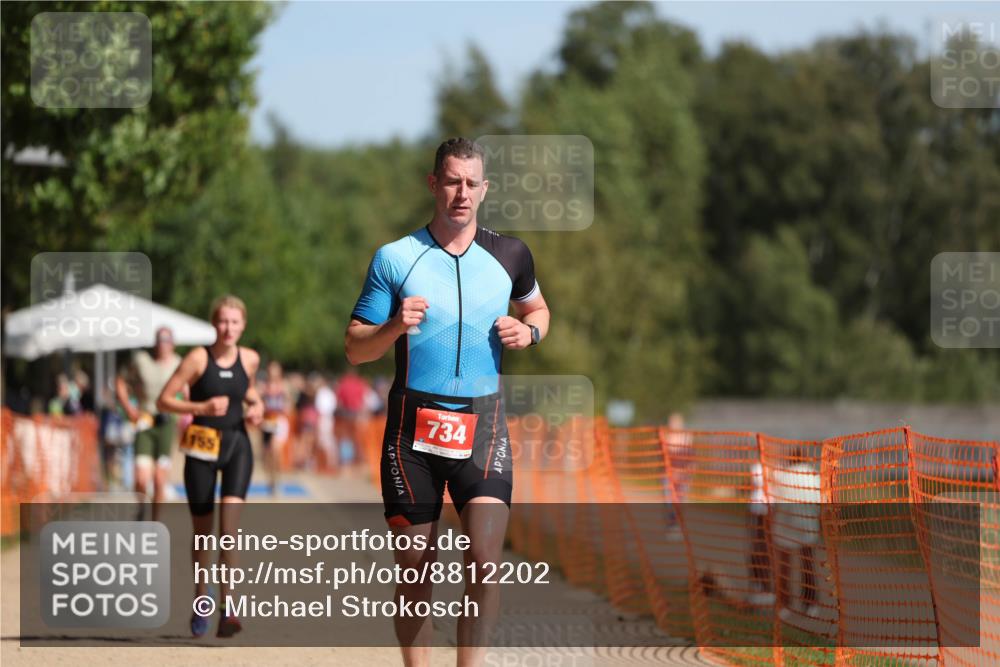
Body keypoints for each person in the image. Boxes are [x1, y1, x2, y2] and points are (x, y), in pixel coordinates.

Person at [345, 137, 550, 667]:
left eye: (471, 183)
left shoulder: (511, 254)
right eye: (452, 181)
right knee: (417, 571)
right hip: (411, 430)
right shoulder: (395, 258)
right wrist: (394, 325)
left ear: (485, 189)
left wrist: (529, 335)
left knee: (484, 560)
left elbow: (539, 311)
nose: (462, 193)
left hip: (484, 425)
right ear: (433, 183)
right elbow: (354, 348)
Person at [157, 295, 263, 639]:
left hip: (237, 446)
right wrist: (201, 406)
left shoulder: (250, 359)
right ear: (213, 324)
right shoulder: (197, 359)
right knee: (203, 534)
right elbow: (164, 399)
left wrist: (257, 405)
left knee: (228, 533)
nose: (228, 328)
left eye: (234, 322)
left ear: (243, 325)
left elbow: (246, 391)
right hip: (201, 446)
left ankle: (228, 607)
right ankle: (202, 598)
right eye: (222, 321)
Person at [115, 327, 183, 514]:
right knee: (141, 478)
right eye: (160, 339)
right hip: (145, 421)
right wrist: (129, 407)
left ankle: (156, 521)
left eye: (167, 339)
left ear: (173, 343)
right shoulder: (141, 361)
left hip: (167, 423)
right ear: (155, 342)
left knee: (160, 480)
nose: (163, 343)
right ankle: (141, 509)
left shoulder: (179, 363)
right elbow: (120, 381)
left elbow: (188, 390)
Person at [769, 448, 821, 619]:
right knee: (808, 565)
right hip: (807, 525)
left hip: (786, 526)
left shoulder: (785, 476)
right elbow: (820, 503)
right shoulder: (814, 475)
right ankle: (811, 603)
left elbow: (777, 503)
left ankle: (785, 604)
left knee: (785, 567)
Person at [259, 360, 292, 494]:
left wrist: (286, 406)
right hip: (267, 421)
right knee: (267, 455)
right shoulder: (263, 386)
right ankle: (270, 480)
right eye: (271, 369)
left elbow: (290, 404)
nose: (273, 372)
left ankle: (277, 480)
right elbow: (258, 403)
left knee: (275, 451)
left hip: (279, 421)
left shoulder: (284, 386)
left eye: (276, 369)